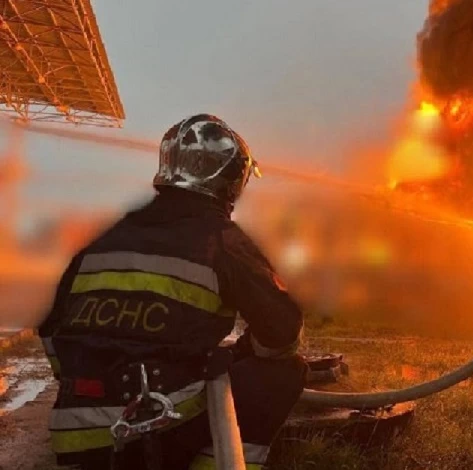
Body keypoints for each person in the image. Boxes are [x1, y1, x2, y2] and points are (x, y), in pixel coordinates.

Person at [37, 114, 307, 470]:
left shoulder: (105, 239)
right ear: (231, 181)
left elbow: (51, 328)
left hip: (75, 436)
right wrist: (242, 352)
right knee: (284, 372)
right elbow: (283, 333)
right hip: (154, 429)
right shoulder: (221, 239)